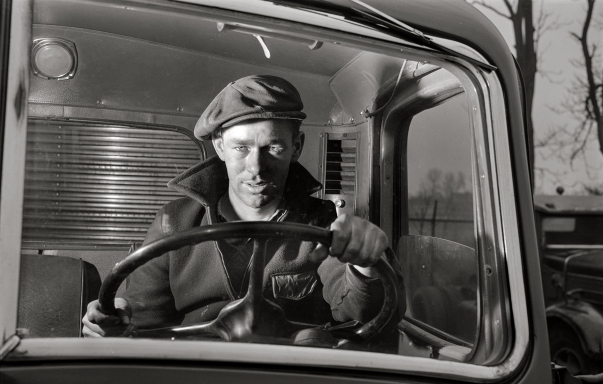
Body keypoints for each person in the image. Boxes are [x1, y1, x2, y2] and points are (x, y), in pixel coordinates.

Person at [83, 75, 400, 339]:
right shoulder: (174, 222)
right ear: (220, 147)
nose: (256, 168)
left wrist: (364, 265)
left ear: (296, 148)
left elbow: (358, 312)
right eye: (241, 148)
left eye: (273, 147)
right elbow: (141, 323)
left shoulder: (322, 224)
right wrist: (111, 321)